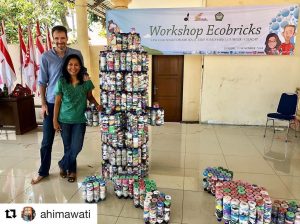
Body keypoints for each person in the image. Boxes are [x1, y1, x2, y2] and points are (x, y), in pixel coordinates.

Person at [31, 25, 87, 184]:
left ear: (67, 38)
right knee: (46, 141)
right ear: (52, 39)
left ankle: (70, 168)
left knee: (70, 142)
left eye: (62, 38)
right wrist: (42, 104)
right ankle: (43, 171)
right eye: (56, 38)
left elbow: (82, 73)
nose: (60, 41)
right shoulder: (46, 57)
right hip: (51, 104)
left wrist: (86, 77)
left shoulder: (76, 54)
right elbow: (42, 82)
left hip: (71, 105)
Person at [53, 54, 101, 182]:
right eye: (70, 64)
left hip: (79, 120)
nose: (73, 67)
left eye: (76, 64)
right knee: (68, 147)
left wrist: (97, 105)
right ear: (66, 66)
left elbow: (90, 97)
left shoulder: (86, 81)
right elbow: (57, 102)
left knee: (77, 146)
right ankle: (72, 171)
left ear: (80, 67)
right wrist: (55, 120)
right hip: (64, 120)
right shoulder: (61, 81)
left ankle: (63, 164)